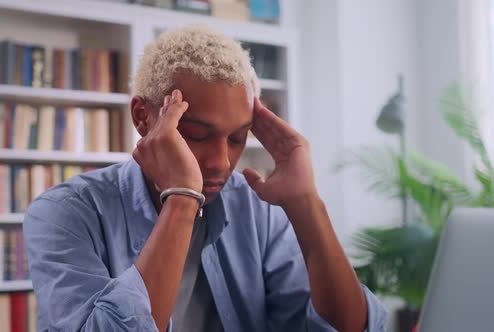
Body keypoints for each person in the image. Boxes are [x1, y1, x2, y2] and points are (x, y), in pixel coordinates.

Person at [24, 26, 386, 332]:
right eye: (196, 135)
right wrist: (182, 198)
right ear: (143, 118)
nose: (220, 162)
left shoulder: (257, 209)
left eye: (238, 138)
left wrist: (306, 204)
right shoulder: (63, 213)